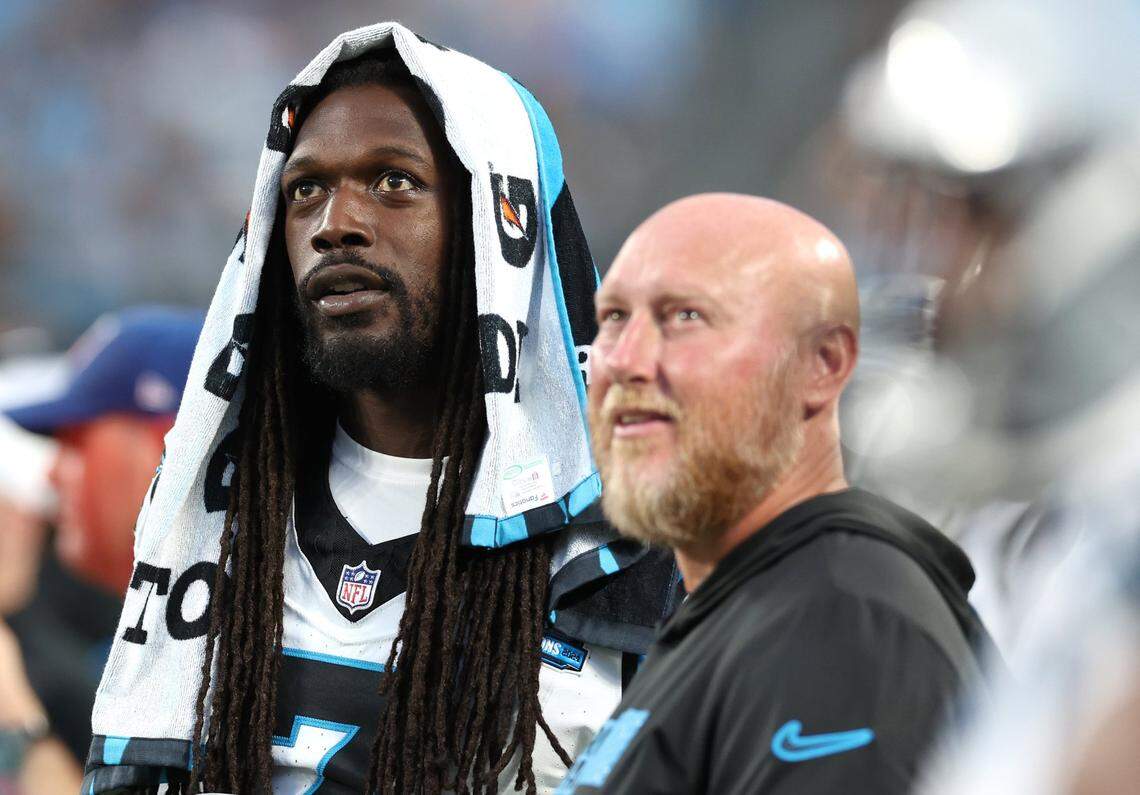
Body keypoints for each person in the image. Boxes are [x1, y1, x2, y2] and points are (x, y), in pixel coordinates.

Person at [82, 23, 679, 795]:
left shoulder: (630, 552)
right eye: (307, 189)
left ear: (502, 226)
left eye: (393, 181)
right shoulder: (222, 523)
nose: (336, 224)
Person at [559, 193, 997, 795]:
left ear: (821, 364)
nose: (624, 361)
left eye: (686, 316)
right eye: (613, 318)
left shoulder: (839, 626)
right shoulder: (739, 616)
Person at [0, 306, 201, 793]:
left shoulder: (241, 639)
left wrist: (29, 729)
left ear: (168, 447)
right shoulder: (145, 624)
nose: (51, 474)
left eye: (75, 444)